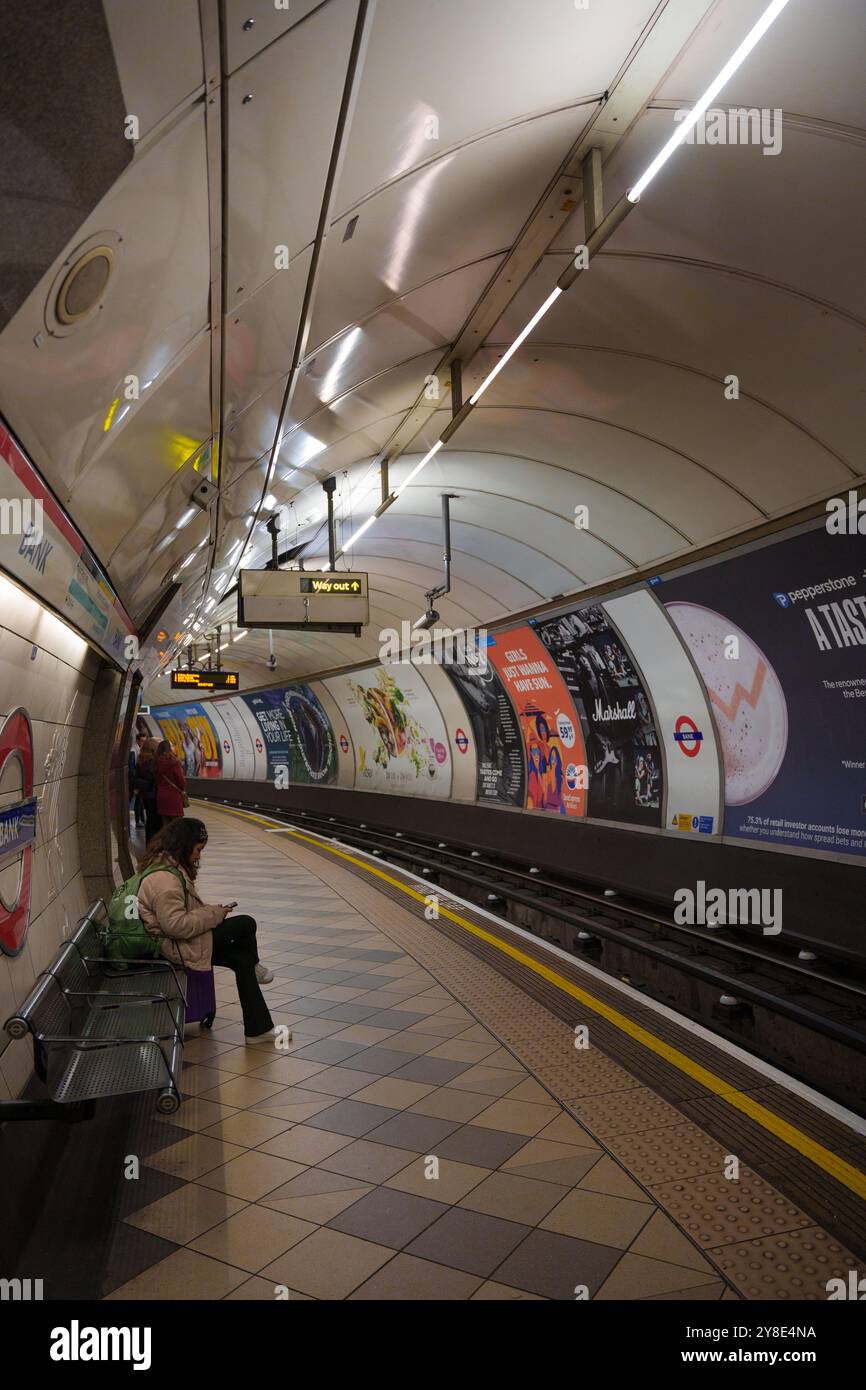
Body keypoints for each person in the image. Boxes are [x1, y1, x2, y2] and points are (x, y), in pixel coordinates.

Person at [136, 818, 276, 1043]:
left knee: (241, 959)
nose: (199, 856)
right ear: (184, 845)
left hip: (180, 943)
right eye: (198, 849)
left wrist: (212, 912)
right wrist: (213, 914)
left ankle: (257, 1030)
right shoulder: (165, 880)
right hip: (175, 947)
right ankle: (255, 965)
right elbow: (176, 926)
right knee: (245, 923)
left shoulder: (169, 868)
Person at [133, 738, 161, 843]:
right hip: (153, 794)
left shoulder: (140, 760)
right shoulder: (153, 762)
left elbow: (136, 776)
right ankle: (153, 846)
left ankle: (148, 844)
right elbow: (154, 777)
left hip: (145, 794)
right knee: (155, 822)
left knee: (149, 820)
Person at [155, 739, 186, 823]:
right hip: (174, 797)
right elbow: (181, 782)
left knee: (166, 826)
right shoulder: (174, 763)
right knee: (177, 825)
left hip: (161, 796)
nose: (173, 747)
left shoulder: (157, 763)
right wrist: (182, 789)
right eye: (172, 746)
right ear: (169, 749)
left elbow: (156, 781)